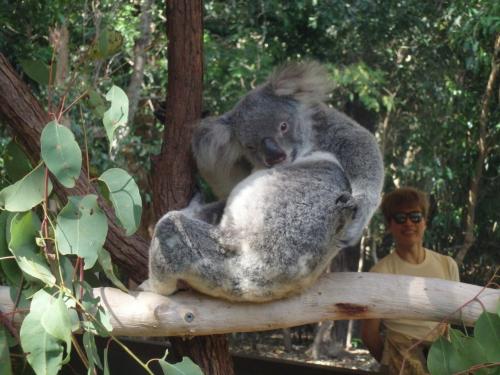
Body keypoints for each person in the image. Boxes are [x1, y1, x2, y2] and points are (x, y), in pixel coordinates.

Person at [361, 187, 459, 375]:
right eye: (400, 218)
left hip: (444, 361)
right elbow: (369, 335)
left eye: (415, 216)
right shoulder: (380, 273)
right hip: (400, 363)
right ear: (389, 225)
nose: (408, 223)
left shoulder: (448, 265)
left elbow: (453, 321)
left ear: (425, 222)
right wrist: (394, 362)